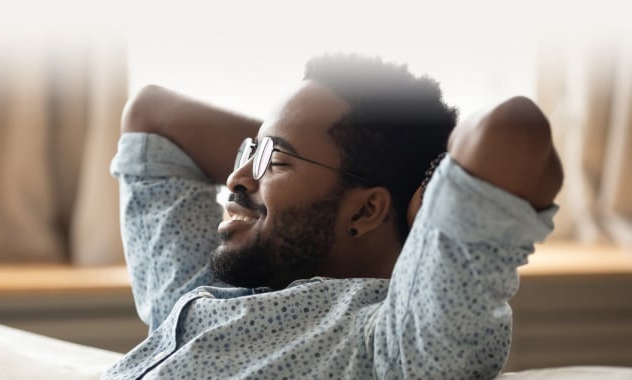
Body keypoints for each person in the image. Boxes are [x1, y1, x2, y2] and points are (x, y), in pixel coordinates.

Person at [104, 54, 563, 379]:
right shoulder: (207, 287)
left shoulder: (389, 346)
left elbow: (510, 130)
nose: (236, 178)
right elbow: (152, 115)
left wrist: (427, 196)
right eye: (250, 152)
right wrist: (280, 154)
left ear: (366, 210)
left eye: (275, 162)